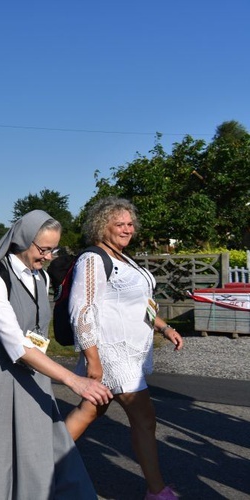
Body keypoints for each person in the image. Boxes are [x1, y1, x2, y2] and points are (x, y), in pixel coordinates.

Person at [0, 210, 113, 500]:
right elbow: (15, 344)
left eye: (53, 249)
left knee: (39, 452)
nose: (49, 257)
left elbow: (36, 336)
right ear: (24, 241)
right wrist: (74, 381)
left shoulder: (41, 278)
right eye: (44, 249)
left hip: (33, 375)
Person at [64, 197, 184, 500]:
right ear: (103, 225)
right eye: (120, 224)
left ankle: (34, 465)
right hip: (111, 353)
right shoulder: (93, 259)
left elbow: (140, 304)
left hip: (129, 352)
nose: (127, 229)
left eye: (130, 224)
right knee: (144, 419)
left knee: (89, 412)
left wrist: (164, 327)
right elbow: (82, 311)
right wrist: (93, 359)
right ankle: (157, 491)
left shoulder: (123, 258)